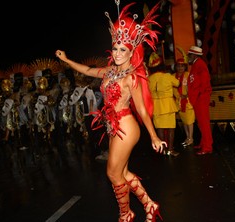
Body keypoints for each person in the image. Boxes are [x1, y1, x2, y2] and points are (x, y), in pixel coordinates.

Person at [55, 1, 166, 221]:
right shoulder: (110, 71)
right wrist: (67, 60)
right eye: (114, 48)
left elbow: (142, 110)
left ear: (131, 50)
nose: (116, 53)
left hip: (126, 126)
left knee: (112, 173)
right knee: (122, 173)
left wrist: (154, 136)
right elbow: (87, 70)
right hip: (114, 126)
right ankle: (149, 205)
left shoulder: (131, 77)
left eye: (122, 49)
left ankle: (125, 214)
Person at [148, 52, 180, 156]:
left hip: (156, 106)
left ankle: (163, 150)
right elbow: (178, 83)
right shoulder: (167, 76)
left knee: (160, 129)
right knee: (171, 129)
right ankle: (170, 150)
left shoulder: (149, 79)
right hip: (168, 106)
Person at [187, 46, 213, 155]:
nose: (188, 57)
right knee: (201, 123)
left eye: (189, 55)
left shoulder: (200, 65)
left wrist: (199, 95)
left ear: (194, 55)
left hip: (200, 98)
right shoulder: (196, 65)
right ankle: (204, 143)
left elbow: (205, 82)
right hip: (198, 98)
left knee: (204, 123)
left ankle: (207, 147)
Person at [172, 58, 195, 147]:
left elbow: (192, 87)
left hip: (188, 101)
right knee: (184, 121)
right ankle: (187, 137)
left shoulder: (188, 75)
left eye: (182, 66)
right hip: (179, 102)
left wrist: (187, 95)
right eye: (178, 66)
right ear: (176, 67)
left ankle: (191, 138)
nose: (180, 68)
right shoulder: (173, 76)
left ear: (185, 67)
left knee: (189, 121)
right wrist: (178, 96)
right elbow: (172, 88)